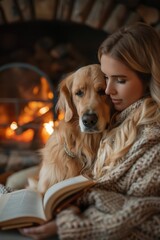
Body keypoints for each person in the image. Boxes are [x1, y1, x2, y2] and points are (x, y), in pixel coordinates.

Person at [1, 22, 160, 239]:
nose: (109, 90)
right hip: (63, 190)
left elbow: (141, 212)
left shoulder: (150, 138)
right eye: (107, 79)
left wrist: (66, 223)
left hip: (77, 218)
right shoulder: (120, 114)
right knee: (12, 185)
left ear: (148, 78)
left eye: (120, 80)